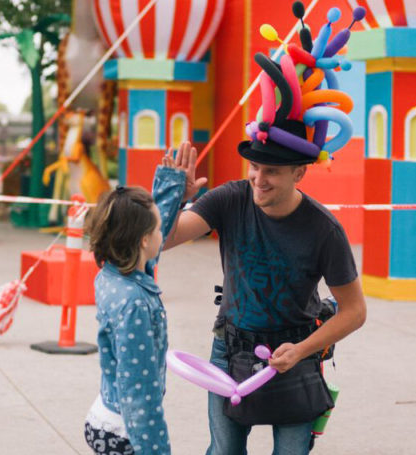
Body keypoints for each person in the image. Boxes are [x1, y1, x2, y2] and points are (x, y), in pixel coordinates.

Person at [157, 43, 367, 454]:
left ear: (299, 173)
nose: (259, 179)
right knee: (224, 452)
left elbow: (355, 311)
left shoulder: (324, 230)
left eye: (272, 171)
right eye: (255, 167)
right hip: (229, 348)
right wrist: (171, 197)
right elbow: (163, 241)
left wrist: (303, 350)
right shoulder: (230, 199)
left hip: (296, 354)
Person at [83, 150, 190, 455]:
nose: (162, 233)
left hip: (106, 413)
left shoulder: (114, 272)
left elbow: (150, 249)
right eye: (157, 229)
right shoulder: (134, 305)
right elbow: (139, 394)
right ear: (143, 239)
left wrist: (172, 185)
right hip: (125, 432)